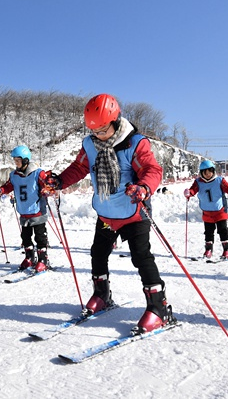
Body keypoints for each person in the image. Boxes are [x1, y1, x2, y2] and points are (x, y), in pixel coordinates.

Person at [43, 93, 173, 334]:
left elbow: (152, 169)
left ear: (116, 120)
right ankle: (102, 294)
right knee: (98, 253)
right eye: (95, 131)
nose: (99, 135)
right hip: (106, 214)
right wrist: (60, 181)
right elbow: (80, 167)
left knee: (141, 257)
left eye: (104, 130)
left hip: (134, 211)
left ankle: (158, 307)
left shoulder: (135, 143)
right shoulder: (90, 145)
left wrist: (144, 187)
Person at [0, 145, 52, 272]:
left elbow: (48, 184)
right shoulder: (14, 175)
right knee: (25, 237)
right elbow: (8, 186)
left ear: (26, 160)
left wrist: (48, 188)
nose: (16, 163)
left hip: (37, 210)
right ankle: (29, 258)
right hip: (24, 212)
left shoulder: (38, 173)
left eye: (18, 160)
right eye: (15, 160)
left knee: (40, 236)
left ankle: (42, 259)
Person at [183, 159, 228, 260]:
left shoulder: (220, 180)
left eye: (209, 172)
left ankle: (227, 250)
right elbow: (193, 190)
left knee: (223, 230)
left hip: (220, 210)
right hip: (207, 212)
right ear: (201, 173)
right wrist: (189, 193)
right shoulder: (198, 182)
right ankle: (208, 249)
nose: (207, 174)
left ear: (213, 171)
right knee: (208, 231)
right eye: (205, 173)